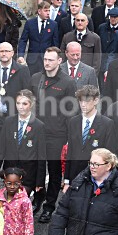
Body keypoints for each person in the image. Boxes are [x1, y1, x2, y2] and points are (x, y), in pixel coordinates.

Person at [31, 47, 77, 221]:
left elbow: (71, 112)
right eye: (45, 59)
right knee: (36, 168)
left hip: (57, 135)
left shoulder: (68, 83)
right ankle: (38, 199)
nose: (47, 63)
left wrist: (69, 139)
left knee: (55, 171)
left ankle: (49, 206)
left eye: (51, 60)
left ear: (59, 61)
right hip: (36, 133)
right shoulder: (36, 78)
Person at [0, 90, 47, 207]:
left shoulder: (38, 125)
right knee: (9, 205)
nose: (20, 107)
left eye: (24, 104)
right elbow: (0, 149)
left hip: (28, 175)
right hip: (10, 172)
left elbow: (41, 155)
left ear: (31, 104)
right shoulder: (8, 122)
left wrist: (39, 181)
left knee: (19, 204)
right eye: (18, 103)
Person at [0, 42, 32, 173]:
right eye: (1, 51)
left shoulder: (22, 70)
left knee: (13, 150)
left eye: (6, 51)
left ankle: (11, 178)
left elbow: (28, 95)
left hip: (14, 117)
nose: (3, 54)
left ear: (12, 53)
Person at [17, 1, 59, 75]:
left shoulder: (53, 24)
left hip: (47, 60)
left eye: (49, 10)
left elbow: (55, 44)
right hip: (32, 59)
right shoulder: (30, 23)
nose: (48, 13)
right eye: (45, 11)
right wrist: (21, 55)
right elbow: (23, 40)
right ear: (39, 11)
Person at [0, 168, 34, 235]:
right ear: (4, 182)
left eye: (16, 184)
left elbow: (28, 222)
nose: (12, 186)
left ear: (21, 182)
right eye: (9, 183)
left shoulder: (24, 201)